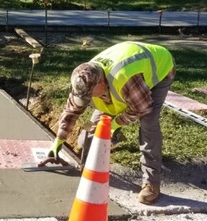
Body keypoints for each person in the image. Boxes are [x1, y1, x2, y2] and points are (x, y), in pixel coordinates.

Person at [45, 41, 175, 205]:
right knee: (89, 135)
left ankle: (151, 183)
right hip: (122, 83)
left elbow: (142, 108)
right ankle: (103, 152)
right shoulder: (83, 79)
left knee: (148, 123)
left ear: (101, 84)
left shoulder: (125, 77)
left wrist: (114, 125)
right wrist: (58, 142)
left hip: (160, 67)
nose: (87, 100)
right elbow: (71, 112)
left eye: (89, 95)